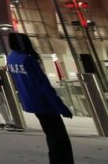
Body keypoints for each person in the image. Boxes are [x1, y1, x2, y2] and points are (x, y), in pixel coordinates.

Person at [7, 33, 73, 164]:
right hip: (44, 103)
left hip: (31, 102)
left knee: (51, 135)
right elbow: (43, 84)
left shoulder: (11, 58)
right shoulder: (27, 59)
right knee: (60, 138)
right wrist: (61, 107)